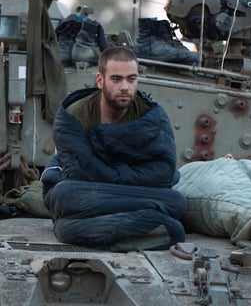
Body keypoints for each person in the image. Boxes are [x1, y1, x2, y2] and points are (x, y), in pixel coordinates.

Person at [40, 46, 186, 252]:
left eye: (131, 79)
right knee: (65, 194)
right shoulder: (74, 115)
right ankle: (153, 223)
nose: (125, 87)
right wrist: (127, 171)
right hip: (90, 193)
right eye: (116, 79)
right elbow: (81, 173)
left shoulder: (152, 116)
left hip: (103, 197)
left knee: (177, 201)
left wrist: (111, 171)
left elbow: (162, 172)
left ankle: (87, 229)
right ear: (100, 81)